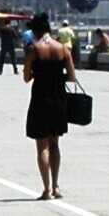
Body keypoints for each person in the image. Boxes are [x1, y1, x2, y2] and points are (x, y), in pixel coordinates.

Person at [22, 13, 76, 201]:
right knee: (55, 143)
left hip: (40, 97)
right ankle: (56, 185)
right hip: (59, 97)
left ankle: (46, 190)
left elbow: (27, 77)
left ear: (35, 31)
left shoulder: (33, 49)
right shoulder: (62, 49)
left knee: (42, 145)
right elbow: (72, 77)